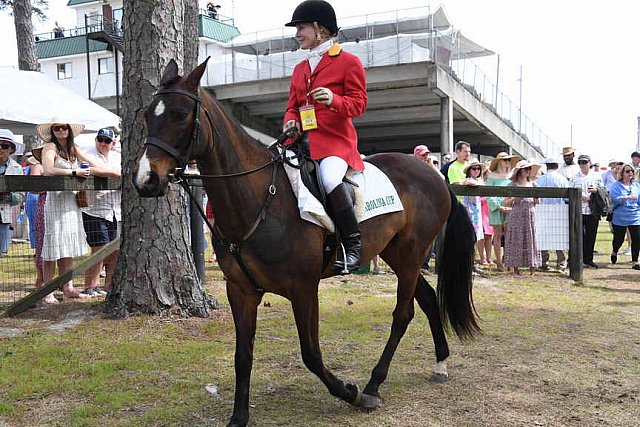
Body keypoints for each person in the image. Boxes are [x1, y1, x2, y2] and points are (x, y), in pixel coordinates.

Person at [283, 0, 367, 272]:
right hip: (301, 141)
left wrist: (334, 99)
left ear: (320, 29)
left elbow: (359, 104)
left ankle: (352, 245)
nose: (297, 33)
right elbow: (292, 108)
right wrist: (291, 122)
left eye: (302, 27)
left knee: (330, 178)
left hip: (335, 141)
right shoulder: (300, 69)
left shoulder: (348, 62)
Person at [36, 117, 114, 302]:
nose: (61, 130)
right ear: (53, 130)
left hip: (72, 201)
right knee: (53, 244)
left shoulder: (73, 148)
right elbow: (48, 170)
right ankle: (47, 289)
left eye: (64, 127)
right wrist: (74, 172)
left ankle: (67, 286)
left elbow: (94, 165)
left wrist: (115, 173)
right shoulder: (50, 147)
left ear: (69, 130)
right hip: (56, 201)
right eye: (57, 127)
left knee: (68, 243)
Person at [80, 128, 122, 296]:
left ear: (113, 143)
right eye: (100, 139)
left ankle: (109, 285)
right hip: (94, 209)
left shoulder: (117, 156)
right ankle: (91, 285)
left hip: (115, 208)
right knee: (98, 248)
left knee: (114, 249)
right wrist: (113, 174)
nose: (102, 143)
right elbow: (86, 170)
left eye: (106, 141)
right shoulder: (87, 154)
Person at [502, 160, 542, 275]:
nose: (528, 171)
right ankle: (515, 267)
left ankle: (532, 266)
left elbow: (538, 201)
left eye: (529, 168)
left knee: (531, 238)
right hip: (517, 213)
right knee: (516, 238)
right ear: (519, 171)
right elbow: (505, 202)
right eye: (526, 169)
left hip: (530, 213)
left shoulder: (533, 184)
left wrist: (536, 198)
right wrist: (515, 198)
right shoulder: (512, 185)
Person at [486, 151, 520, 271]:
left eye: (508, 160)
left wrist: (510, 203)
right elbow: (489, 194)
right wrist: (499, 206)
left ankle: (509, 260)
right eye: (505, 160)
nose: (507, 162)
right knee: (497, 235)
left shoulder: (512, 176)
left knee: (509, 235)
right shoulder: (492, 176)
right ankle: (499, 262)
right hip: (496, 208)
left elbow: (515, 191)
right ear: (499, 161)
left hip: (510, 207)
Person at [570, 154, 604, 269]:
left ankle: (588, 259)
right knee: (578, 235)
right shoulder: (574, 178)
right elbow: (568, 194)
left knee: (591, 235)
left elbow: (604, 192)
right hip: (579, 210)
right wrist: (579, 196)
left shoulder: (597, 176)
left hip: (592, 210)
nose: (583, 165)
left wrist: (595, 191)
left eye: (585, 162)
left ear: (590, 163)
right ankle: (576, 258)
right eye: (580, 163)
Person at [536, 157, 569, 271]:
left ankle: (543, 262)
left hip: (542, 210)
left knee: (542, 237)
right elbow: (567, 198)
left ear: (547, 166)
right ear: (557, 165)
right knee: (559, 238)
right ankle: (561, 264)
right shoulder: (562, 179)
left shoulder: (540, 179)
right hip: (558, 211)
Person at [608, 164, 640, 270]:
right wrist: (626, 197)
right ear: (622, 173)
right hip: (620, 216)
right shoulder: (616, 185)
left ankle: (635, 261)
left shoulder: (636, 186)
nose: (630, 173)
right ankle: (615, 251)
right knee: (619, 239)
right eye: (627, 171)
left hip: (635, 215)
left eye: (631, 171)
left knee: (636, 239)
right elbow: (613, 199)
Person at [0, 129, 25, 256]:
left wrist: (7, 196)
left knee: (1, 254)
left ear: (11, 149)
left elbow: (21, 196)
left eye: (5, 145)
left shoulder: (17, 169)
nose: (1, 148)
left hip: (4, 218)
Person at [460, 158, 485, 272]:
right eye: (474, 168)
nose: (476, 171)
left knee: (473, 240)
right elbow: (467, 182)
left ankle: (471, 264)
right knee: (467, 240)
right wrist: (478, 183)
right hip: (469, 214)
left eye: (478, 168)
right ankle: (467, 264)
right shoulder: (468, 180)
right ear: (469, 170)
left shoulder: (478, 181)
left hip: (476, 214)